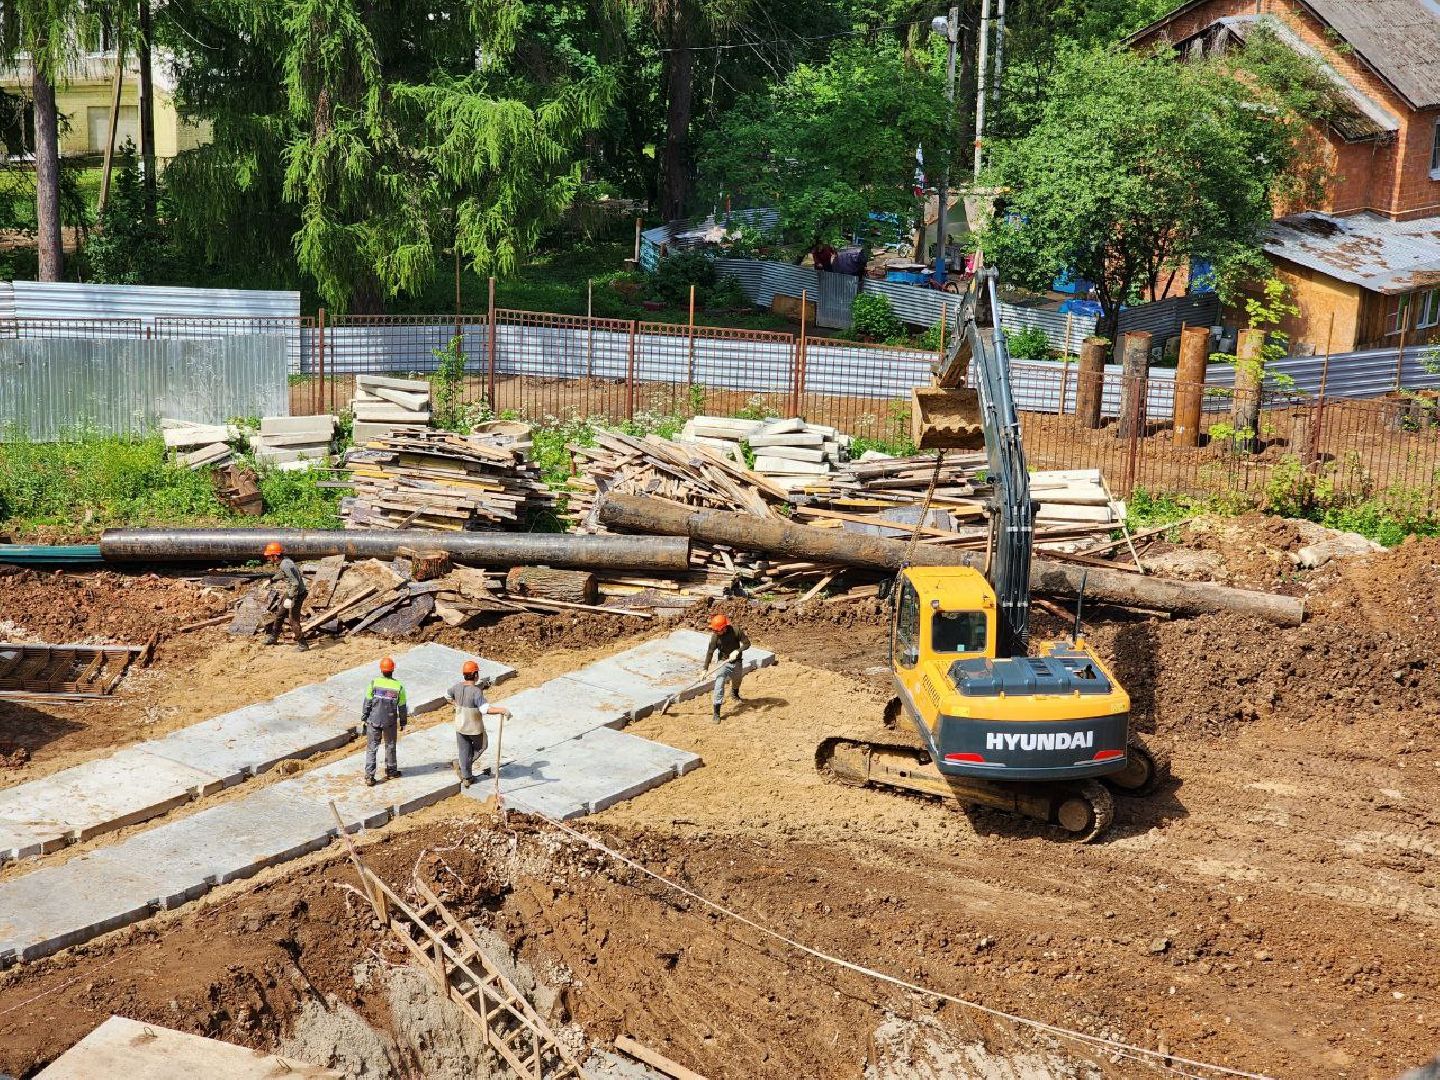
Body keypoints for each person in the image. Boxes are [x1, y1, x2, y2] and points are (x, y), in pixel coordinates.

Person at [446, 659, 510, 789]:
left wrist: (455, 704)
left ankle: (467, 777)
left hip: (460, 726)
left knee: (464, 751)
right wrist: (502, 710)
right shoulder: (476, 691)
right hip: (474, 728)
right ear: (475, 675)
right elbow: (485, 709)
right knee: (482, 746)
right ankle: (463, 766)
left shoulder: (456, 687)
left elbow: (447, 696)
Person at [362, 656, 407, 787]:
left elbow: (367, 702)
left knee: (372, 748)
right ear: (393, 670)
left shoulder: (373, 683)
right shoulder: (399, 687)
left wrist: (364, 717)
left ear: (381, 670)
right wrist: (403, 722)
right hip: (390, 722)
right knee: (390, 746)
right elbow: (402, 707)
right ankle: (391, 771)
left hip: (374, 720)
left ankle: (369, 777)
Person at [703, 612, 750, 724]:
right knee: (719, 684)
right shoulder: (715, 638)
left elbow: (747, 644)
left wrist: (738, 651)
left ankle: (734, 693)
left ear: (724, 628)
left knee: (737, 680)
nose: (715, 632)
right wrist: (704, 669)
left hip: (737, 662)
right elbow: (710, 653)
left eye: (717, 630)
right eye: (714, 630)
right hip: (723, 662)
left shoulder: (736, 631)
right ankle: (716, 713)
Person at [262, 542, 308, 652]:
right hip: (291, 591)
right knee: (280, 614)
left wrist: (290, 598)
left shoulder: (285, 564)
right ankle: (273, 637)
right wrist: (271, 580)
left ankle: (303, 644)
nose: (268, 558)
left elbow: (295, 583)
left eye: (269, 556)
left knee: (293, 620)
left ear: (275, 556)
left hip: (297, 594)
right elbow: (282, 574)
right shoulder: (284, 562)